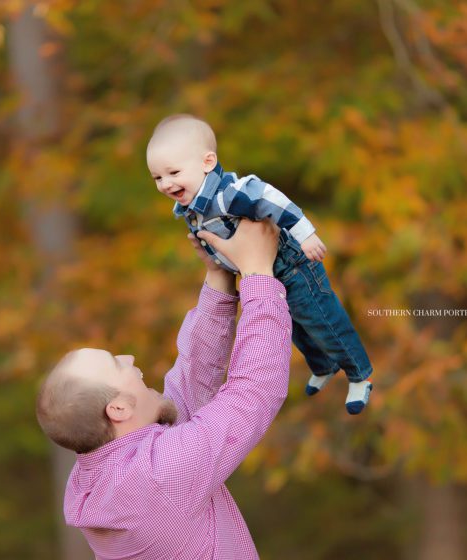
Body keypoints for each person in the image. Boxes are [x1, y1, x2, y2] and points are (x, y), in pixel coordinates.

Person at [37, 219, 291, 559]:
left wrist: (219, 279)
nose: (128, 357)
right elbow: (253, 392)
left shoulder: (102, 478)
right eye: (116, 364)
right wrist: (259, 275)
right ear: (118, 409)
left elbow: (186, 392)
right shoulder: (159, 475)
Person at [147, 113, 373, 414]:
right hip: (263, 274)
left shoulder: (229, 193)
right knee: (295, 327)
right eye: (158, 178)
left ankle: (360, 374)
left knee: (322, 321)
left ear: (207, 162)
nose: (166, 184)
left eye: (173, 172)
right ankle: (323, 366)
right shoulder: (192, 207)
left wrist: (305, 233)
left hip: (292, 266)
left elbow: (271, 198)